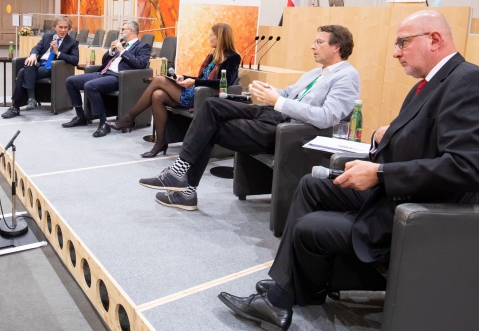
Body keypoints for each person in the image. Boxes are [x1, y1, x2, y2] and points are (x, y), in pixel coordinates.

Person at [217, 10, 479, 331]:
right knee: (312, 186)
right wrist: (382, 143)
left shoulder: (470, 83)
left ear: (435, 39)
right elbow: (424, 143)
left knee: (309, 225)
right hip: (404, 192)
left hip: (424, 214)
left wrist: (381, 173)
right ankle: (292, 285)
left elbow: (467, 168)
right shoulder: (428, 86)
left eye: (403, 43)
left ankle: (279, 299)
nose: (396, 52)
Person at [139, 25, 360, 211]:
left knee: (209, 127)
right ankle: (180, 177)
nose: (313, 46)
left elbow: (327, 117)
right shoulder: (315, 72)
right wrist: (270, 90)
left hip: (289, 131)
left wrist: (278, 101)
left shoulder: (346, 77)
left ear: (336, 47)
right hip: (273, 113)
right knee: (211, 107)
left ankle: (184, 187)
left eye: (319, 42)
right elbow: (289, 93)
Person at [109, 23, 241, 158]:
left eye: (212, 35)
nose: (209, 38)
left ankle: (129, 118)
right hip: (196, 89)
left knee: (159, 79)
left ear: (220, 37)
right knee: (157, 95)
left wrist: (194, 82)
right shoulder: (213, 55)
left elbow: (224, 83)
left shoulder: (233, 57)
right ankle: (160, 142)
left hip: (202, 96)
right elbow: (202, 77)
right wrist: (184, 77)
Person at [62, 20, 151, 138]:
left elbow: (141, 64)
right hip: (104, 73)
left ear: (131, 31)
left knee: (90, 86)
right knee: (71, 81)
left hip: (120, 77)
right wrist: (111, 50)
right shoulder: (122, 44)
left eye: (123, 29)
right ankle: (80, 116)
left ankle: (104, 123)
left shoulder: (143, 46)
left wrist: (122, 51)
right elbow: (104, 61)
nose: (121, 32)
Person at [1, 17, 79, 118]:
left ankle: (16, 106)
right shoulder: (47, 37)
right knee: (29, 64)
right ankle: (29, 100)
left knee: (22, 72)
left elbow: (75, 60)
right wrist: (33, 55)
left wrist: (57, 52)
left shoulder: (72, 42)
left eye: (66, 28)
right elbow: (36, 48)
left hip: (52, 68)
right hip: (39, 64)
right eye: (60, 27)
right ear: (55, 27)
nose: (63, 30)